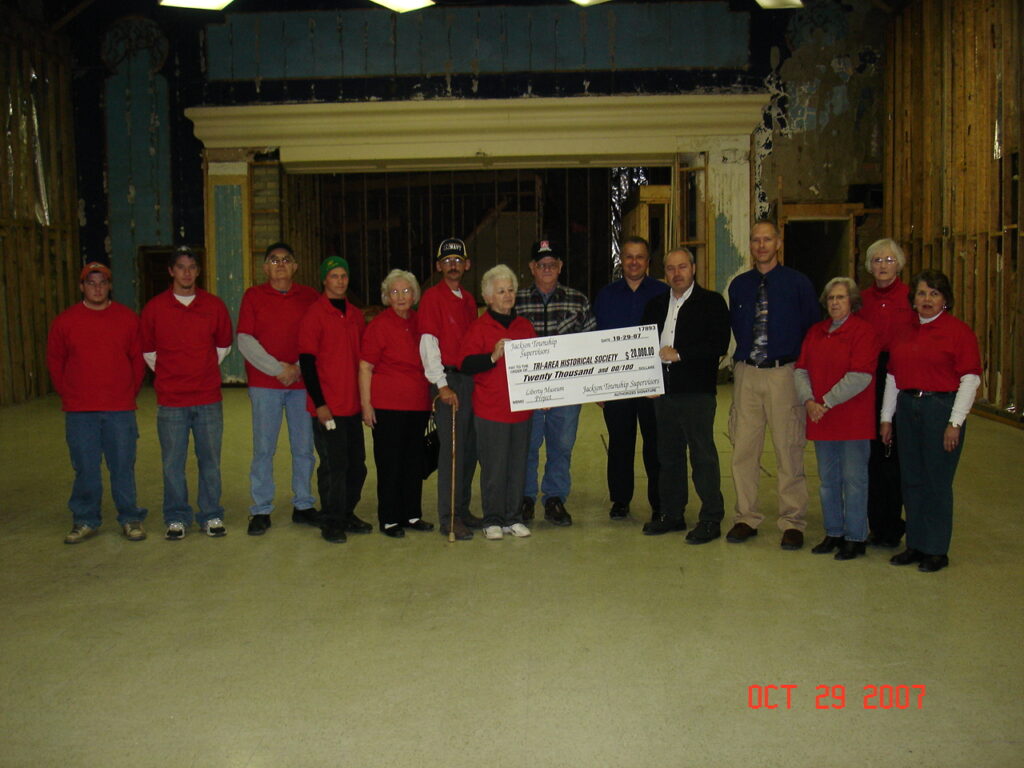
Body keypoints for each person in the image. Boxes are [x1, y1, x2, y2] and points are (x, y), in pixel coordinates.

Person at [726, 220, 819, 550]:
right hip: (747, 373)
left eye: (767, 240)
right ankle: (746, 516)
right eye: (755, 240)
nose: (761, 245)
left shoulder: (797, 284)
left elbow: (812, 329)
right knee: (743, 448)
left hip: (784, 373)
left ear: (778, 244)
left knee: (788, 447)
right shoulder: (739, 285)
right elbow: (737, 327)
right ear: (750, 245)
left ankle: (792, 520)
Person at [880, 269, 981, 573]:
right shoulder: (905, 331)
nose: (927, 299)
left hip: (941, 408)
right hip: (908, 406)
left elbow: (970, 379)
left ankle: (936, 549)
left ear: (945, 300)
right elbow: (893, 376)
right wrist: (886, 418)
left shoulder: (958, 332)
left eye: (934, 294)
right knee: (911, 479)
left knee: (936, 482)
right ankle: (916, 544)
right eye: (922, 293)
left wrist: (955, 422)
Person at [47, 261, 148, 544]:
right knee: (86, 467)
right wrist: (68, 393)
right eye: (91, 283)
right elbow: (56, 360)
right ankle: (85, 519)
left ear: (109, 285)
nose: (97, 288)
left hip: (119, 409)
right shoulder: (65, 322)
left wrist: (128, 393)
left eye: (102, 282)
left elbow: (137, 359)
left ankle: (130, 517)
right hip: (81, 411)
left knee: (122, 466)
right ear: (81, 287)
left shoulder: (127, 319)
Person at [141, 247, 233, 540]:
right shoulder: (155, 308)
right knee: (172, 462)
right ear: (171, 271)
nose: (187, 272)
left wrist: (200, 370)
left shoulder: (214, 306)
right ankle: (177, 516)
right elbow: (148, 351)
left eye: (192, 267)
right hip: (171, 401)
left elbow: (223, 346)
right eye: (180, 267)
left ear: (198, 271)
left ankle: (211, 514)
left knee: (210, 460)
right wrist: (174, 374)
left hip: (207, 399)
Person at [640, 248, 730, 543]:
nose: (676, 273)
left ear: (693, 268)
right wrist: (647, 381)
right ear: (663, 272)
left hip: (696, 393)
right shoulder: (654, 304)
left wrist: (680, 354)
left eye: (682, 267)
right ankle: (673, 513)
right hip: (663, 393)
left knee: (703, 456)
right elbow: (641, 347)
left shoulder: (712, 303)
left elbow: (718, 344)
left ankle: (711, 517)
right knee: (668, 456)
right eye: (670, 268)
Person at [237, 242, 321, 536]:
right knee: (263, 449)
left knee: (303, 448)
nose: (280, 265)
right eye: (274, 260)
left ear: (295, 266)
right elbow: (245, 340)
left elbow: (316, 337)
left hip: (301, 385)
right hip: (265, 386)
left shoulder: (310, 297)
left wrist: (297, 368)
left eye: (286, 260)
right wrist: (278, 369)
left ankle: (304, 504)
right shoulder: (253, 296)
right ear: (265, 267)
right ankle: (260, 509)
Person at [795, 277, 880, 561]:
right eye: (831, 298)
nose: (835, 303)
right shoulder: (816, 332)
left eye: (841, 298)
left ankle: (856, 536)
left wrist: (826, 402)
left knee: (855, 480)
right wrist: (809, 401)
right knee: (828, 480)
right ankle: (833, 531)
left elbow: (861, 375)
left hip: (852, 420)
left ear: (852, 302)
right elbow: (801, 370)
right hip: (822, 420)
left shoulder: (864, 332)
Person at [515, 240, 597, 526]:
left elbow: (591, 344)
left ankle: (554, 498)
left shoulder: (578, 300)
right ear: (531, 268)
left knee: (561, 445)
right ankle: (524, 498)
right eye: (541, 264)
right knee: (527, 445)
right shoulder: (516, 301)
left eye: (552, 263)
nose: (546, 268)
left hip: (567, 391)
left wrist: (594, 385)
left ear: (560, 266)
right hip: (528, 391)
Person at [593, 236, 669, 521]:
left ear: (648, 262)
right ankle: (620, 500)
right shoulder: (607, 295)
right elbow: (595, 340)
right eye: (628, 256)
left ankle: (659, 501)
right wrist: (597, 386)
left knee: (655, 444)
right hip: (617, 384)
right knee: (620, 443)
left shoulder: (663, 293)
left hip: (654, 385)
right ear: (621, 261)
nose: (634, 262)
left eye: (640, 257)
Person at [460, 265, 537, 540]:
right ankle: (492, 518)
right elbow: (466, 364)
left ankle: (513, 517)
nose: (507, 295)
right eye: (501, 291)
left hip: (522, 411)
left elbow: (538, 365)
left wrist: (547, 394)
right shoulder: (479, 327)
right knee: (494, 467)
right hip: (491, 410)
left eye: (511, 290)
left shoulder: (524, 326)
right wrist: (492, 357)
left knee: (518, 465)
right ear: (489, 297)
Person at [298, 256, 371, 543]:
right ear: (324, 280)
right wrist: (319, 404)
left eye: (344, 276)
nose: (340, 281)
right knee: (334, 466)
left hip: (352, 406)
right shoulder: (314, 315)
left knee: (357, 465)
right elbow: (307, 363)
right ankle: (331, 520)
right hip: (328, 409)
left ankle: (346, 512)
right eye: (334, 276)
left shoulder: (354, 315)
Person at [359, 270, 434, 538]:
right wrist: (366, 406)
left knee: (413, 462)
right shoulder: (378, 325)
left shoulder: (421, 322)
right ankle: (389, 518)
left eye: (406, 291)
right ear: (386, 296)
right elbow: (365, 367)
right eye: (394, 292)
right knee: (390, 463)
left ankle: (412, 515)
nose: (401, 297)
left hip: (418, 405)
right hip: (387, 406)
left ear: (414, 295)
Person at [418, 237, 481, 540]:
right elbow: (428, 343)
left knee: (468, 449)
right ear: (439, 266)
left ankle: (464, 509)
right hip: (449, 381)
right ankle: (449, 516)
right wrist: (441, 385)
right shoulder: (433, 298)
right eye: (447, 261)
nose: (453, 265)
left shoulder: (468, 300)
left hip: (468, 380)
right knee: (452, 451)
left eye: (458, 260)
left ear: (466, 264)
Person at [857, 238, 917, 548]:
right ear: (870, 266)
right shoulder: (862, 299)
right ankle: (876, 524)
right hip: (869, 378)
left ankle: (896, 524)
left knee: (896, 456)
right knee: (874, 457)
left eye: (889, 260)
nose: (882, 265)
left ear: (899, 264)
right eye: (877, 260)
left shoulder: (911, 297)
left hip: (901, 378)